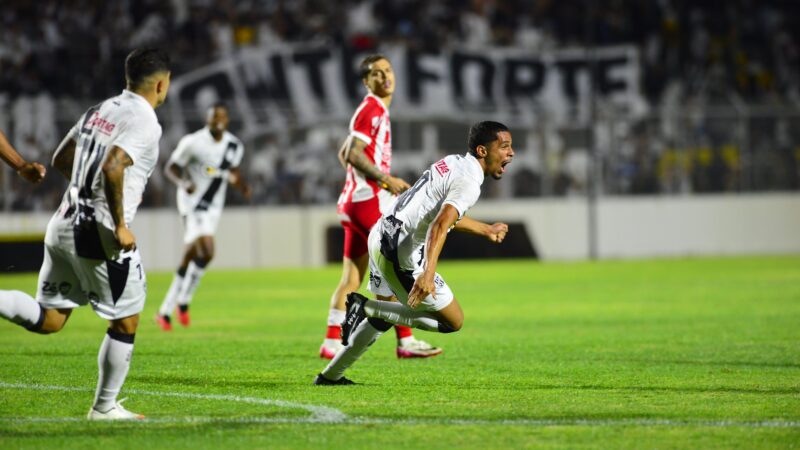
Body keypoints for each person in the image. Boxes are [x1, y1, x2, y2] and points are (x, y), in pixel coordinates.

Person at [0, 48, 171, 418]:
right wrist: (120, 224)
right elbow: (113, 167)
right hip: (98, 233)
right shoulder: (146, 121)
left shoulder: (101, 109)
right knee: (126, 320)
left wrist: (83, 190)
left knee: (50, 319)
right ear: (162, 84)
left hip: (63, 222)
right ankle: (104, 408)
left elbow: (61, 158)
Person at [314, 121, 514, 385]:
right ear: (482, 150)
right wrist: (427, 274)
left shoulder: (453, 162)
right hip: (400, 251)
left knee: (385, 316)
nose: (511, 153)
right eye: (504, 146)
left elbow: (436, 214)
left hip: (381, 233)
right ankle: (367, 307)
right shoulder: (470, 181)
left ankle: (331, 375)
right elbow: (440, 224)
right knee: (453, 321)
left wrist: (485, 229)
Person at [320, 54, 443, 360]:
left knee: (352, 278)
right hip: (369, 201)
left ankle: (331, 342)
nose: (385, 76)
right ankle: (406, 341)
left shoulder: (372, 109)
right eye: (377, 73)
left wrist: (367, 179)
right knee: (395, 267)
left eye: (388, 70)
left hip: (354, 201)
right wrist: (385, 179)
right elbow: (353, 155)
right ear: (366, 81)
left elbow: (344, 152)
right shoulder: (373, 108)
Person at [155, 103, 251, 330]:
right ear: (207, 120)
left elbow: (233, 172)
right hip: (192, 203)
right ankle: (184, 302)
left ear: (227, 120)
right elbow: (170, 168)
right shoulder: (193, 142)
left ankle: (165, 311)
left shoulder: (234, 146)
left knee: (190, 255)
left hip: (214, 207)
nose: (217, 121)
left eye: (221, 117)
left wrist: (243, 187)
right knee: (207, 250)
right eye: (213, 117)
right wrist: (183, 183)